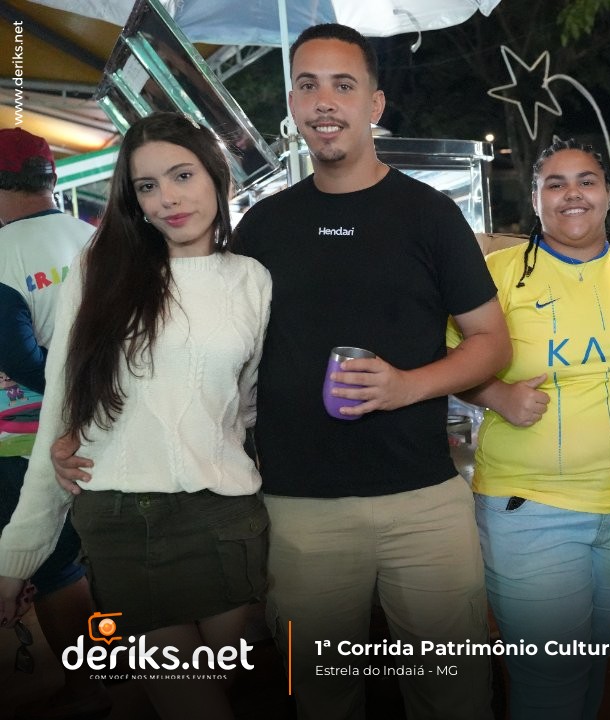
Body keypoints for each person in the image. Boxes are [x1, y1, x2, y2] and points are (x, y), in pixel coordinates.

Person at [55, 23, 507, 720]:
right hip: (298, 511)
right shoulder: (261, 229)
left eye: (343, 85)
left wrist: (407, 385)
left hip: (423, 501)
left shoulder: (431, 215)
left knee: (453, 693)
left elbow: (492, 343)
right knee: (321, 696)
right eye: (307, 85)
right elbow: (189, 354)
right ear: (292, 105)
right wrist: (90, 435)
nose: (324, 101)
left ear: (375, 104)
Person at [0, 112, 272, 720]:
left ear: (217, 176)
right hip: (124, 526)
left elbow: (246, 408)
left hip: (224, 520)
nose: (167, 198)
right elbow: (60, 416)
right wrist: (15, 558)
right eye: (147, 185)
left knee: (216, 691)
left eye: (182, 175)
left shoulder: (251, 280)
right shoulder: (100, 272)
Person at [453, 138, 610, 719]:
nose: (573, 193)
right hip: (534, 508)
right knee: (551, 679)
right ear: (536, 200)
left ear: (607, 194)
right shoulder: (496, 274)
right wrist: (496, 394)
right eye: (556, 183)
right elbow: (445, 356)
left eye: (586, 180)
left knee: (591, 661)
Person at [0, 127, 110, 718]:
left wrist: (74, 386)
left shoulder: (3, 253)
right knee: (92, 559)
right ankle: (117, 678)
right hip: (105, 429)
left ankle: (91, 687)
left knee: (51, 565)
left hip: (28, 442)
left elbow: (18, 357)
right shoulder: (94, 238)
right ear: (51, 178)